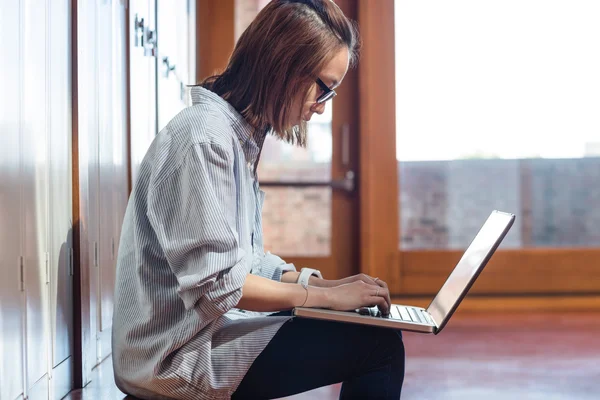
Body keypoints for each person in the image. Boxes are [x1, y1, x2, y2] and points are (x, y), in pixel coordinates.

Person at [112, 1, 405, 399]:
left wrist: (327, 286)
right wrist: (324, 298)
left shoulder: (234, 137)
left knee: (362, 324)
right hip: (175, 358)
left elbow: (244, 258)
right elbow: (218, 286)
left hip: (203, 334)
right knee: (378, 346)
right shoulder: (204, 138)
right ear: (283, 65)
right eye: (323, 87)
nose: (320, 106)